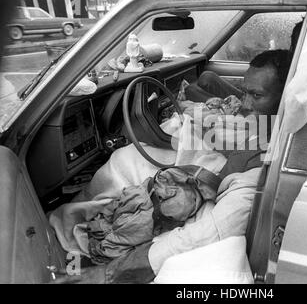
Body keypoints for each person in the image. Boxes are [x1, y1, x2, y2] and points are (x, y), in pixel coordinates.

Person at [52, 49, 293, 284]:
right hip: (209, 176)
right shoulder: (269, 126)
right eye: (244, 92)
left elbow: (212, 231)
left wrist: (110, 274)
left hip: (205, 200)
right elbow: (239, 141)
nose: (245, 103)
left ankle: (70, 245)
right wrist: (185, 131)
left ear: (285, 97)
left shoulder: (261, 171)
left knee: (123, 161)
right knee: (134, 157)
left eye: (256, 95)